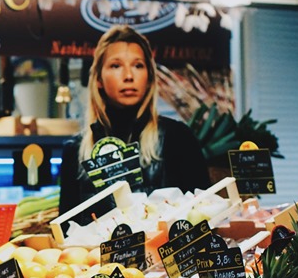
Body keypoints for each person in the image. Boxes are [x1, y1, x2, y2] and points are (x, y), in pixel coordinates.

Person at [58, 25, 211, 215]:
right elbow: (64, 231)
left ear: (148, 78)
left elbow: (205, 213)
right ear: (98, 78)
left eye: (138, 65)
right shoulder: (75, 151)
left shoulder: (177, 138)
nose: (128, 76)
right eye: (116, 65)